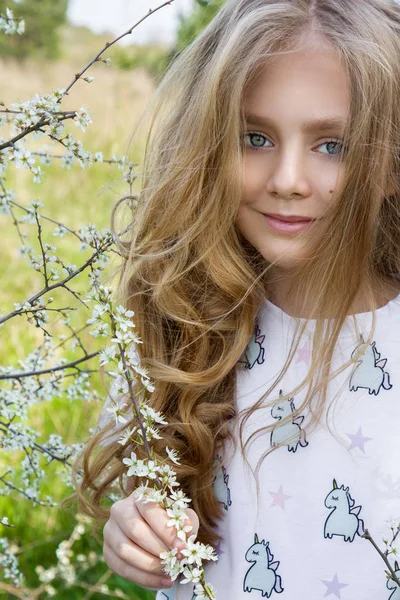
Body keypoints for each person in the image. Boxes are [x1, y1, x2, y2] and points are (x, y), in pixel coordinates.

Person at [73, 0, 400, 598]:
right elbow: (145, 496)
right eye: (254, 138)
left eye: (334, 145)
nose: (288, 179)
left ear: (391, 162)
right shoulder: (184, 333)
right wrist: (135, 529)